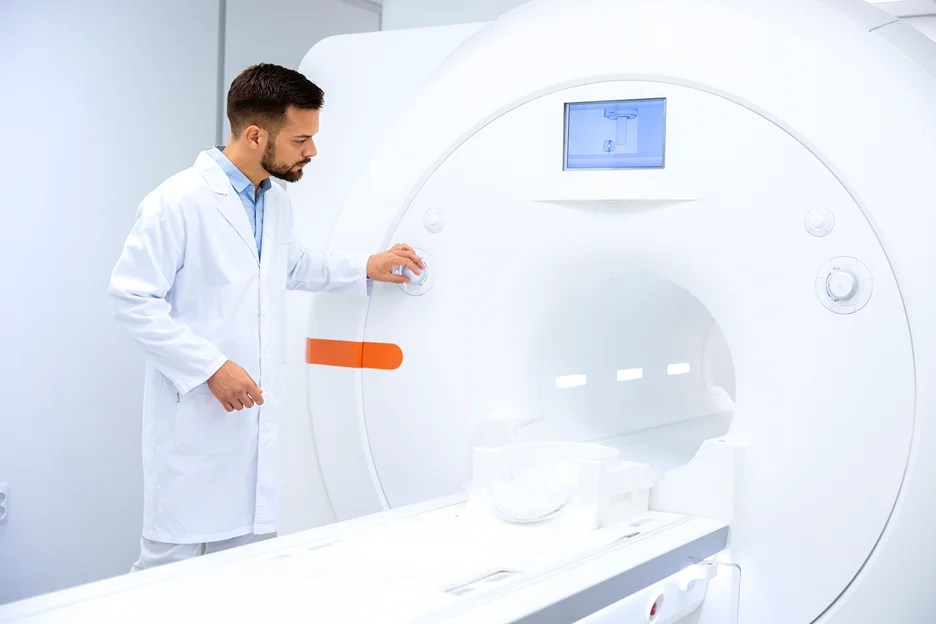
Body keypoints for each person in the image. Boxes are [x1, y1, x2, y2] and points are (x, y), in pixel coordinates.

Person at [108, 63, 424, 571]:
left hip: (250, 424)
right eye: (301, 139)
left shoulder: (272, 202)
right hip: (196, 418)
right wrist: (210, 367)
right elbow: (131, 299)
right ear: (256, 135)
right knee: (165, 577)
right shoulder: (177, 202)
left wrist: (367, 266)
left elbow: (290, 263)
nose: (312, 151)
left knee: (244, 576)